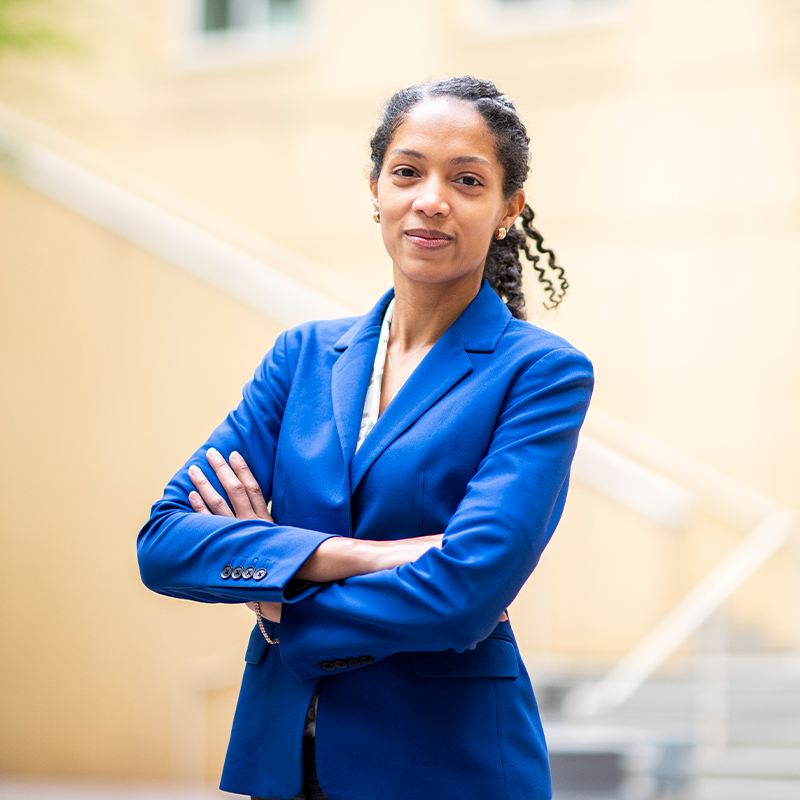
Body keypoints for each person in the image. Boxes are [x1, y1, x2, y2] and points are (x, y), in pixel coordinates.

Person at [137, 76, 593, 800]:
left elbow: (466, 593)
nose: (431, 199)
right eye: (408, 172)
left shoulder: (539, 374)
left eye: (467, 180)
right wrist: (355, 556)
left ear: (509, 210)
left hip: (446, 766)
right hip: (283, 763)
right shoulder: (302, 358)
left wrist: (281, 600)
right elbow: (164, 543)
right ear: (376, 189)